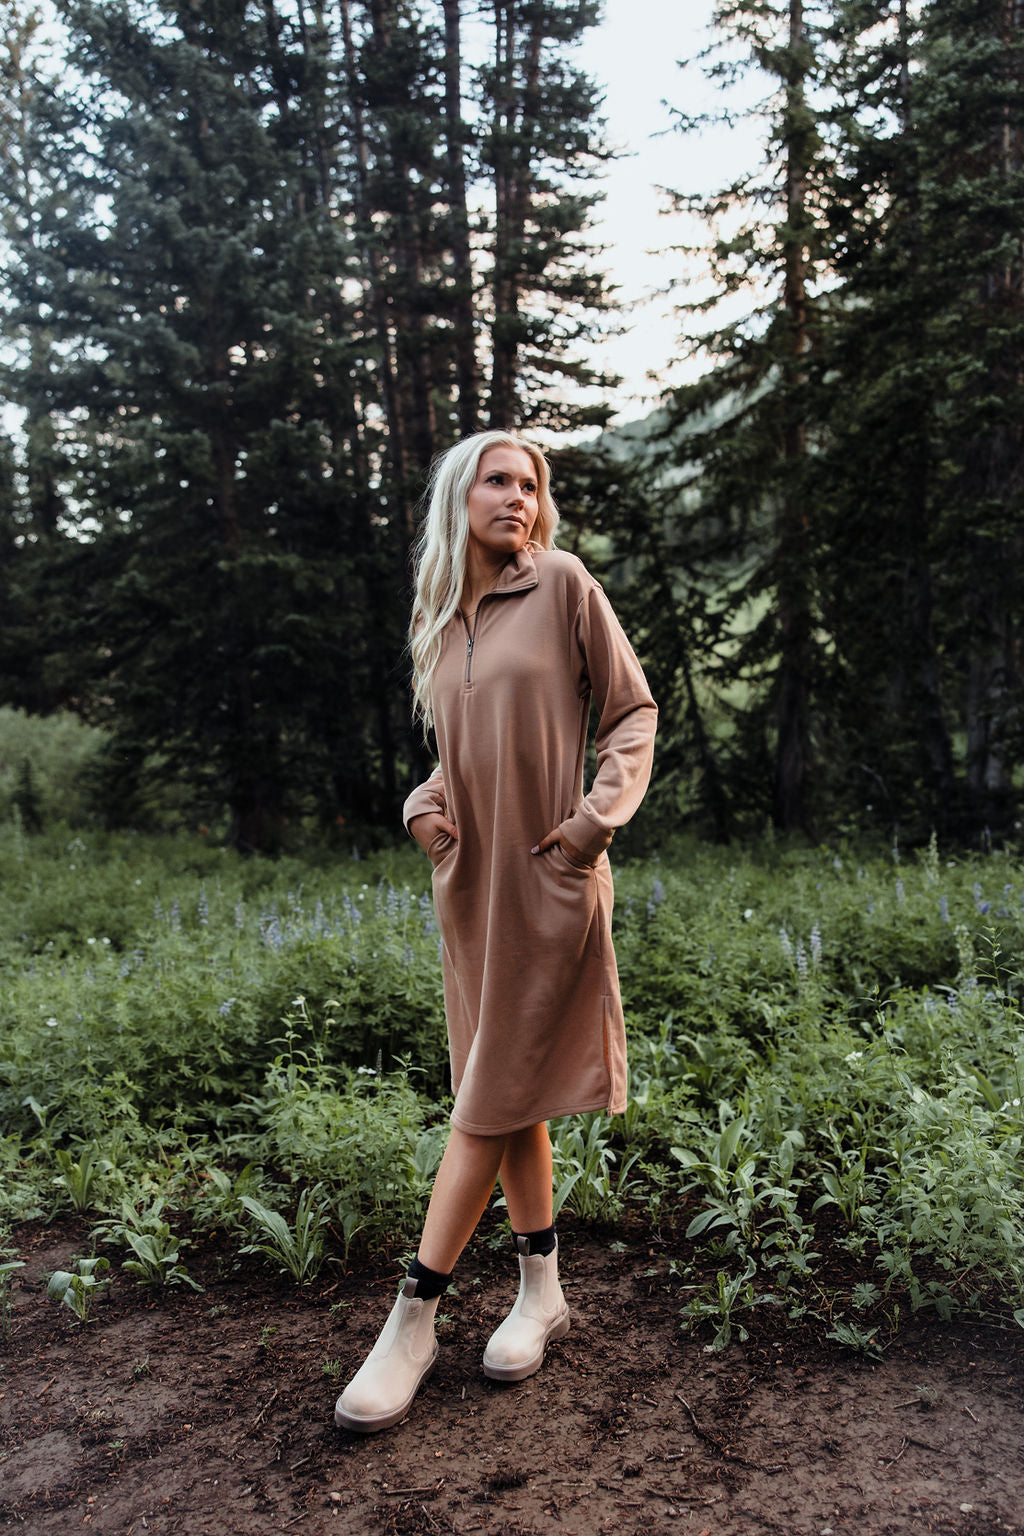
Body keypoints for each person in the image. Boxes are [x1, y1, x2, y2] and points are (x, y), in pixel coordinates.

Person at [334, 430, 657, 1433]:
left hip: (547, 880)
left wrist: (592, 825)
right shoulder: (441, 618)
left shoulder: (561, 584)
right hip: (470, 893)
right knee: (508, 1092)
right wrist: (421, 804)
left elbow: (632, 712)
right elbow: (462, 749)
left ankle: (412, 1318)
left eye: (531, 484)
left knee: (485, 1098)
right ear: (459, 499)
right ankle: (540, 1290)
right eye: (499, 481)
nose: (519, 497)